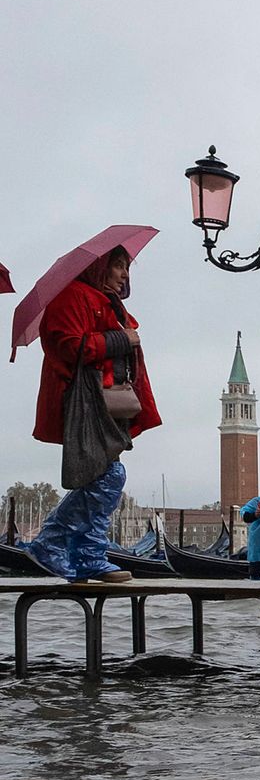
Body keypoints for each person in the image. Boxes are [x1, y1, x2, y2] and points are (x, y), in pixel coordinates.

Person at [25, 245, 160, 583]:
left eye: (127, 268)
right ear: (100, 267)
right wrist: (120, 340)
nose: (125, 275)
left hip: (108, 403)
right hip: (85, 401)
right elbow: (67, 345)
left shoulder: (108, 303)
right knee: (108, 475)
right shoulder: (71, 296)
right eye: (118, 266)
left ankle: (84, 555)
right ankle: (60, 545)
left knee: (106, 475)